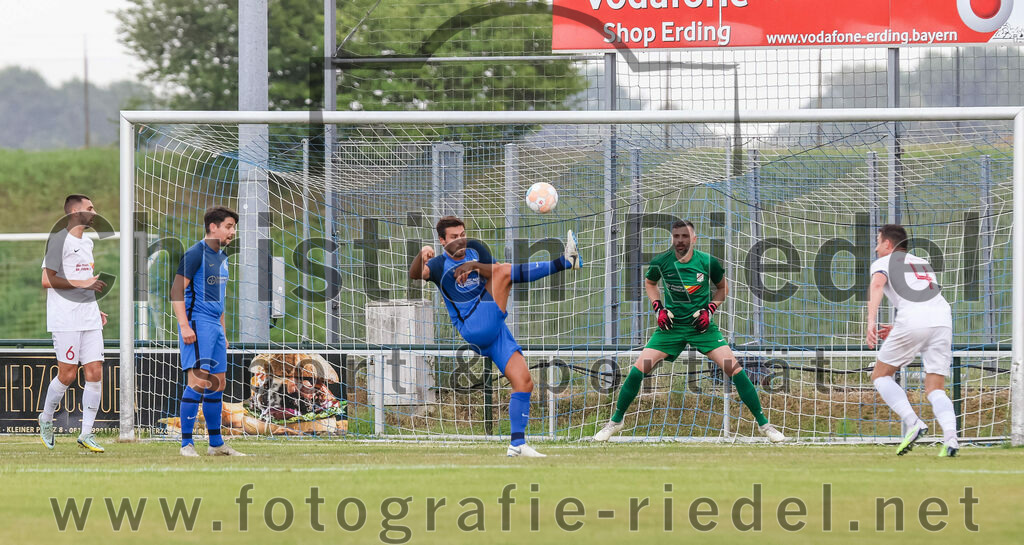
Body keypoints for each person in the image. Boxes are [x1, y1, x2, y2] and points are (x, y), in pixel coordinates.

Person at [594, 220, 786, 443]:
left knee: (734, 369)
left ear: (694, 239)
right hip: (670, 328)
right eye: (676, 236)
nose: (680, 241)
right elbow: (650, 283)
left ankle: (764, 425)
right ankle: (616, 422)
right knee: (638, 371)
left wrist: (709, 310)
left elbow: (722, 289)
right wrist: (659, 309)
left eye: (685, 236)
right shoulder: (661, 262)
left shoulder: (707, 262)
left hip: (701, 328)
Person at [410, 216, 581, 457]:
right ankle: (564, 263)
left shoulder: (476, 250)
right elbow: (416, 274)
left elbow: (495, 270)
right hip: (474, 325)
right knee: (503, 273)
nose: (460, 240)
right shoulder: (438, 265)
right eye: (453, 237)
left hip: (496, 329)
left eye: (462, 234)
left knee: (524, 381)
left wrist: (474, 266)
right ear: (441, 240)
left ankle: (517, 444)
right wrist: (421, 255)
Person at [866, 224, 959, 457]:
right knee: (935, 388)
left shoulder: (883, 262)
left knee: (879, 374)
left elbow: (877, 285)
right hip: (942, 320)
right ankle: (951, 439)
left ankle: (914, 422)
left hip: (914, 321)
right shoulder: (922, 263)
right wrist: (899, 327)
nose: (876, 248)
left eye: (878, 242)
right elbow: (923, 301)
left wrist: (870, 322)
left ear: (888, 244)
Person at [170, 206, 245, 457]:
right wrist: (184, 326)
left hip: (214, 325)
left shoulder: (220, 258)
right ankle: (186, 444)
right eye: (228, 226)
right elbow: (176, 291)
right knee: (199, 380)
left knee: (218, 383)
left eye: (233, 227)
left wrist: (223, 332)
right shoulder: (195, 253)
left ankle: (216, 444)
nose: (232, 231)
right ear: (213, 227)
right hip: (198, 322)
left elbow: (218, 297)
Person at [38, 194, 109, 452]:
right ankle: (46, 418)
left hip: (88, 315)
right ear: (75, 212)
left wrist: (96, 308)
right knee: (67, 374)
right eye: (90, 208)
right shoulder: (59, 239)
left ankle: (86, 433)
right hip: (65, 317)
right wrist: (83, 284)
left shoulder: (87, 243)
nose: (95, 211)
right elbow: (47, 280)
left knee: (95, 372)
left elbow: (86, 279)